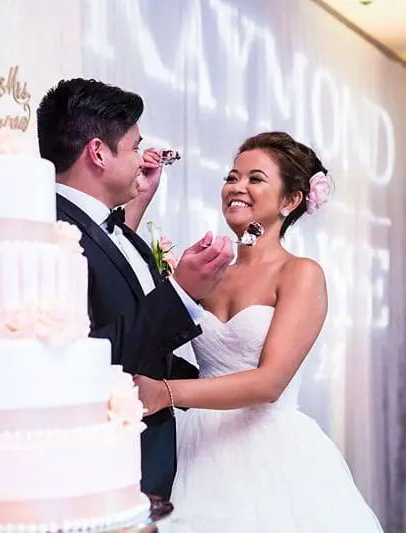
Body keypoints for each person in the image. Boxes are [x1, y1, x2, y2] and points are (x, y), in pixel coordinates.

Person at [134, 132, 384, 531]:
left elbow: (270, 383)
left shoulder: (300, 273)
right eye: (232, 177)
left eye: (255, 178)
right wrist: (140, 202)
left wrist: (164, 393)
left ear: (291, 200)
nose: (237, 187)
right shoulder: (207, 272)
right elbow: (143, 319)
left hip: (268, 453)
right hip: (195, 447)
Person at [36, 78, 234, 500]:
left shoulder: (114, 230)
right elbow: (85, 356)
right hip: (100, 473)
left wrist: (223, 388)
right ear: (98, 152)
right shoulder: (48, 231)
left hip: (152, 465)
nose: (141, 158)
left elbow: (143, 336)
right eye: (133, 147)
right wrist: (182, 291)